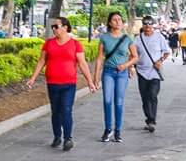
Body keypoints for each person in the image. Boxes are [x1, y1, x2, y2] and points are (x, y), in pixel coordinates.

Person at [26, 16, 98, 151]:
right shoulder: (49, 43)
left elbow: (82, 63)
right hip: (52, 82)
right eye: (53, 27)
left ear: (65, 27)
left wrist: (90, 82)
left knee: (66, 109)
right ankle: (57, 136)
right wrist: (33, 78)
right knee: (55, 111)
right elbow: (42, 61)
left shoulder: (75, 44)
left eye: (56, 26)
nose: (54, 29)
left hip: (69, 83)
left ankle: (68, 138)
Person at [93, 12, 138, 143]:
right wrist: (96, 76)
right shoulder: (104, 38)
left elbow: (135, 57)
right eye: (114, 20)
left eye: (119, 19)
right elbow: (100, 58)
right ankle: (108, 129)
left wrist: (126, 65)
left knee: (118, 102)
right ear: (110, 23)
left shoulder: (128, 38)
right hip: (108, 72)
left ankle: (118, 131)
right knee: (107, 101)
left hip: (122, 74)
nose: (118, 22)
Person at [136, 15, 170, 133]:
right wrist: (130, 66)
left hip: (155, 72)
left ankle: (152, 120)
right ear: (143, 25)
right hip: (141, 72)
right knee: (144, 97)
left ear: (153, 25)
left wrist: (160, 61)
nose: (147, 26)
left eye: (150, 24)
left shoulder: (159, 37)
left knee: (153, 95)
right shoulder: (138, 39)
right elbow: (133, 54)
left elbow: (166, 52)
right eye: (145, 24)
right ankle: (148, 118)